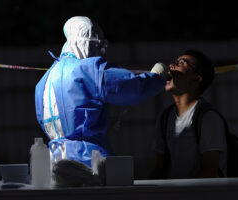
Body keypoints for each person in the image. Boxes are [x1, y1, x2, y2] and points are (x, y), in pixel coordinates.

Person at [35, 16, 168, 167]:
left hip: (55, 162)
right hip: (89, 160)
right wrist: (156, 78)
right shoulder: (88, 69)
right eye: (100, 48)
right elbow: (131, 87)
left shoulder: (44, 80)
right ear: (88, 43)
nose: (101, 54)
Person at [149, 49, 227, 179]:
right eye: (174, 62)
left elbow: (210, 174)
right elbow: (159, 168)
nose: (171, 66)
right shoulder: (164, 118)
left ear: (196, 78)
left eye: (180, 63)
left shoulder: (207, 118)